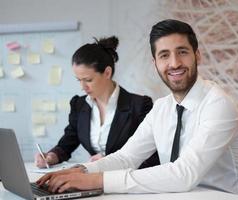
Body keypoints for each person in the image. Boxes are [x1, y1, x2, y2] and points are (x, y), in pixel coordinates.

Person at [37, 19, 238, 196]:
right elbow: (127, 157)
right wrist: (82, 170)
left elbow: (184, 174)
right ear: (155, 63)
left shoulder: (218, 104)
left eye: (183, 52)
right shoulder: (161, 108)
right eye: (164, 55)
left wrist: (96, 180)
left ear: (197, 56)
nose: (175, 63)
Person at [35, 36, 159, 169]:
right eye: (79, 80)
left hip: (124, 180)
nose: (83, 87)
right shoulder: (79, 105)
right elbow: (67, 142)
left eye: (88, 80)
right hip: (93, 179)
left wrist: (109, 162)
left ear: (107, 72)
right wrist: (52, 156)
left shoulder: (140, 106)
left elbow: (153, 156)